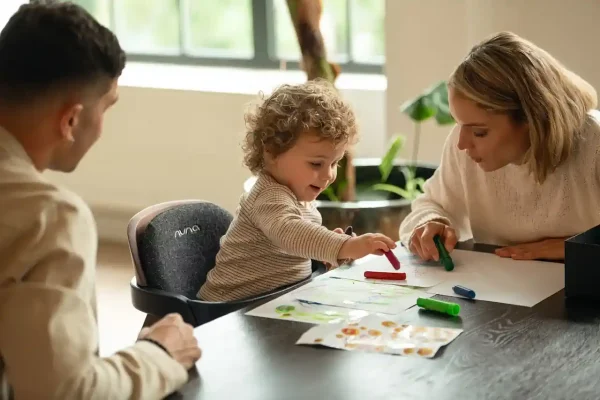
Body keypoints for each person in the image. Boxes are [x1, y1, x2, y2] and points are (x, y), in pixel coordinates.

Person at [0, 2, 200, 399]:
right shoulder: (48, 216)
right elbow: (64, 391)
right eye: (107, 107)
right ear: (70, 120)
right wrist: (158, 353)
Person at [399, 31, 600, 263]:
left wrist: (574, 248)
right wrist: (431, 223)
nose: (462, 143)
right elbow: (430, 204)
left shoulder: (593, 143)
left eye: (479, 132)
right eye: (459, 125)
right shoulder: (464, 148)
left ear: (530, 117)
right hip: (501, 287)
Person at [198, 80, 396, 302]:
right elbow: (289, 233)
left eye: (334, 163)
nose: (329, 175)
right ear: (272, 152)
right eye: (316, 164)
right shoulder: (268, 196)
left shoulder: (302, 201)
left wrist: (327, 254)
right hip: (228, 312)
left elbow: (295, 250)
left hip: (271, 305)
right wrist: (345, 245)